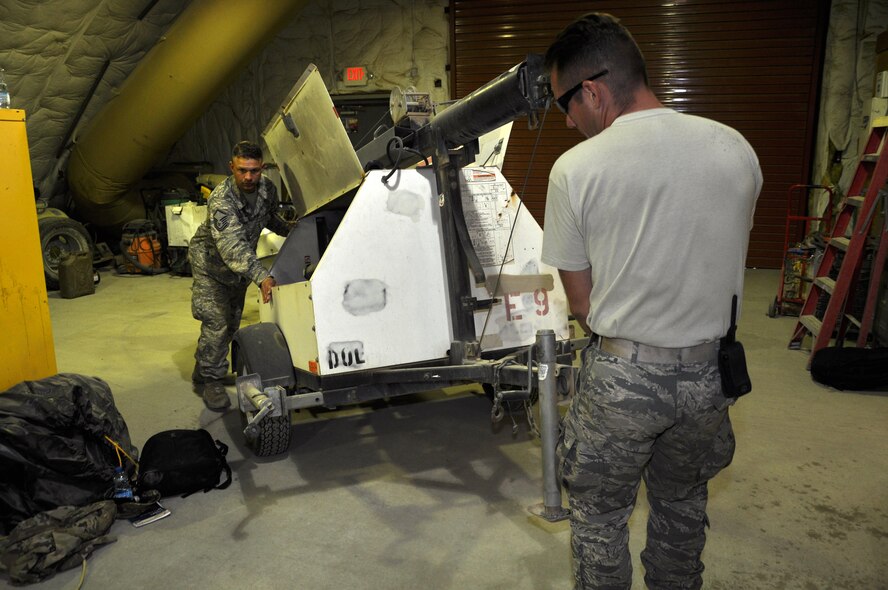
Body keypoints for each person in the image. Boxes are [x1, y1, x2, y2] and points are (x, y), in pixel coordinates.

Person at [540, 13, 762, 590]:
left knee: (600, 518)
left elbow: (582, 305)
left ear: (592, 91)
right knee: (683, 506)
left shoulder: (575, 170)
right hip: (710, 376)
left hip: (623, 380)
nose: (567, 120)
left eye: (565, 103)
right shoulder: (735, 148)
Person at [189, 140, 294, 410]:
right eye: (242, 170)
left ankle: (205, 365)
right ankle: (211, 380)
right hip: (211, 265)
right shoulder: (221, 200)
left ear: (262, 168)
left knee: (232, 321)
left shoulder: (266, 190)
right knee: (217, 321)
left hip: (239, 268)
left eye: (254, 171)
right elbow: (232, 246)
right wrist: (262, 276)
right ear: (231, 167)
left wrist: (293, 230)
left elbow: (269, 217)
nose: (248, 177)